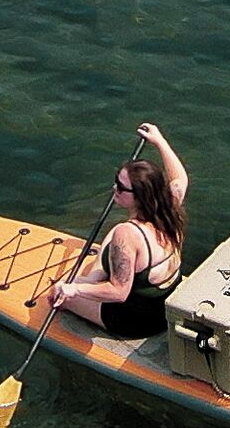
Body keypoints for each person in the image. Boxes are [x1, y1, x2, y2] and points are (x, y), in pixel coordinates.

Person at [48, 122, 186, 339]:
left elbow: (118, 293)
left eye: (121, 187)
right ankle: (94, 277)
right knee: (113, 236)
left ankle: (88, 282)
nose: (115, 189)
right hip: (162, 310)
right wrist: (160, 141)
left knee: (57, 294)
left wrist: (73, 290)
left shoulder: (128, 233)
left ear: (141, 196)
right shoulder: (170, 206)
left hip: (134, 322)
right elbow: (181, 178)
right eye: (116, 181)